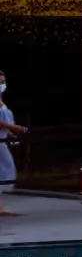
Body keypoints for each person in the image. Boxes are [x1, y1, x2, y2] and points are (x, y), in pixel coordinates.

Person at [0, 69, 26, 216]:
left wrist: (11, 133)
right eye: (0, 82)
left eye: (3, 82)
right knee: (4, 169)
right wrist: (16, 128)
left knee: (4, 170)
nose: (2, 85)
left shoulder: (2, 101)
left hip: (2, 140)